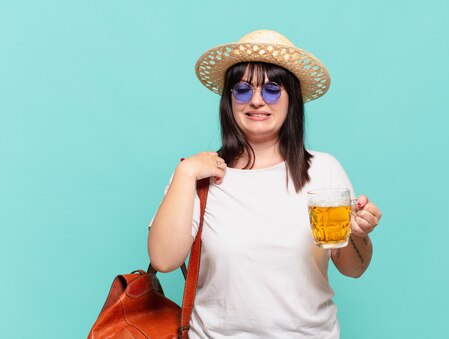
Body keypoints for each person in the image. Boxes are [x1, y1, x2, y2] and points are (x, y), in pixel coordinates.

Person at [148, 30, 382, 338]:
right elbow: (163, 260)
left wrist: (358, 234)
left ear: (291, 100)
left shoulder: (323, 170)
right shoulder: (198, 174)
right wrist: (185, 173)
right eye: (242, 90)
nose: (257, 101)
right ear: (228, 100)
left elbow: (353, 268)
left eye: (272, 90)